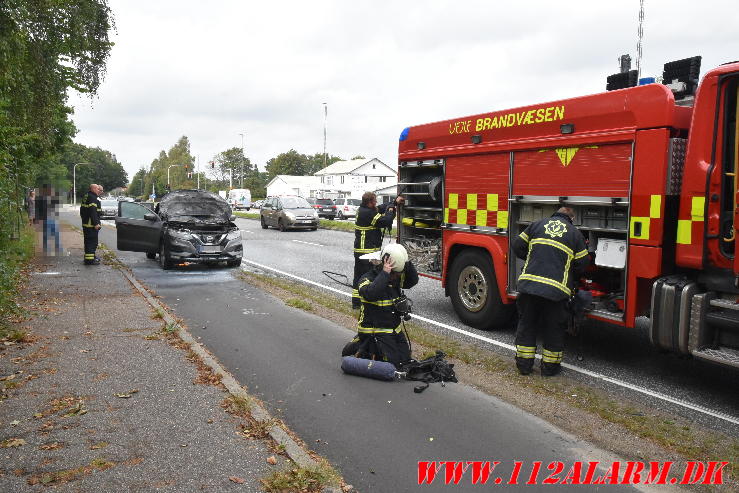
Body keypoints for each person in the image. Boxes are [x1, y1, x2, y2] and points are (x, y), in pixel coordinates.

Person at [511, 207, 590, 376]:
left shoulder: (537, 225)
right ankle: (549, 369)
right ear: (572, 218)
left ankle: (524, 366)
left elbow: (517, 245)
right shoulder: (575, 234)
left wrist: (533, 257)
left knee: (527, 324)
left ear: (555, 214)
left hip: (529, 287)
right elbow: (583, 264)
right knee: (554, 329)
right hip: (556, 292)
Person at [342, 243, 419, 367]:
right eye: (394, 274)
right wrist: (385, 274)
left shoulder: (394, 277)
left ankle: (369, 346)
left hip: (393, 329)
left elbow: (412, 281)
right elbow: (371, 293)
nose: (396, 277)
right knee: (393, 364)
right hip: (375, 331)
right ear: (385, 266)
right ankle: (360, 344)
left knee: (404, 360)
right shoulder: (366, 279)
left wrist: (406, 263)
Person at [352, 192, 404, 308]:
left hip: (361, 250)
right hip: (366, 251)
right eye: (375, 201)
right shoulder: (367, 213)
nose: (376, 203)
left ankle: (356, 302)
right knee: (366, 276)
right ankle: (363, 302)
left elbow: (380, 208)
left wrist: (393, 202)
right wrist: (390, 210)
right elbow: (385, 221)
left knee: (358, 276)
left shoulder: (363, 209)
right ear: (369, 202)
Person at [80, 183, 103, 265]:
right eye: (97, 189)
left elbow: (82, 210)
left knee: (88, 242)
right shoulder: (92, 197)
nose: (99, 190)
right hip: (91, 225)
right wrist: (96, 223)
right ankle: (90, 261)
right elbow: (92, 211)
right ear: (93, 189)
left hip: (86, 223)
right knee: (92, 242)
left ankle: (89, 257)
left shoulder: (87, 196)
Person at [36, 184, 62, 255]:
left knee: (56, 233)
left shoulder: (52, 197)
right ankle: (47, 249)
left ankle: (58, 248)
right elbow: (37, 209)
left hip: (53, 217)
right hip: (45, 218)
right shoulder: (40, 198)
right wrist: (37, 220)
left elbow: (57, 204)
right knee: (46, 234)